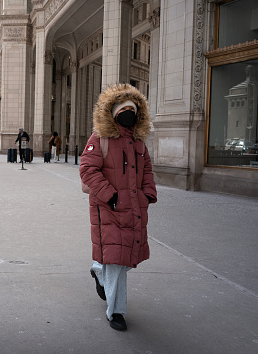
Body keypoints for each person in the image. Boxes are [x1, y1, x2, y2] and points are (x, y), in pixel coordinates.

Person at [79, 83, 157, 332]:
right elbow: (87, 169)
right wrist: (109, 195)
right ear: (112, 112)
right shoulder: (100, 138)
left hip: (134, 209)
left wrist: (148, 194)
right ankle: (116, 312)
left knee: (122, 260)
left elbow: (147, 172)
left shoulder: (139, 142)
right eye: (122, 108)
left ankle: (99, 271)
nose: (127, 113)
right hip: (108, 209)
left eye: (132, 109)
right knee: (116, 262)